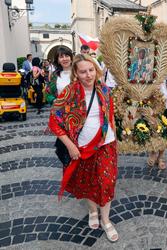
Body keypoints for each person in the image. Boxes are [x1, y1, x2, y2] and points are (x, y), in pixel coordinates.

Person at [48, 54, 118, 242]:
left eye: (91, 70)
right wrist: (70, 147)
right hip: (81, 148)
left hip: (105, 144)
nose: (88, 75)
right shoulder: (69, 93)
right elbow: (54, 122)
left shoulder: (104, 89)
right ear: (76, 74)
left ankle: (106, 220)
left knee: (106, 182)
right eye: (83, 71)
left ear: (96, 70)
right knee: (88, 181)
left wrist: (114, 136)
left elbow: (110, 114)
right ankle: (92, 210)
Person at [147, 64, 167, 170]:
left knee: (165, 132)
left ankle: (160, 157)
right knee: (153, 130)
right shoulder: (153, 63)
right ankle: (153, 152)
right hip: (154, 105)